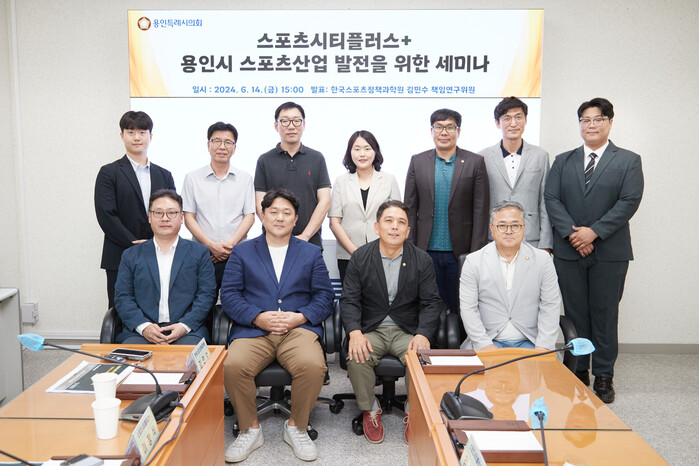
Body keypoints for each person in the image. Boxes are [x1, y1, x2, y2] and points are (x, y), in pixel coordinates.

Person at [221, 189, 334, 463]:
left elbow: (324, 296)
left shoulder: (311, 253)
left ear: (295, 219)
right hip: (254, 330)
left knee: (312, 365)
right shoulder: (242, 251)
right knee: (233, 365)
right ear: (263, 215)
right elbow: (230, 295)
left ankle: (296, 426)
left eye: (286, 213)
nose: (280, 218)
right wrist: (257, 316)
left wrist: (300, 317)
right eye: (273, 212)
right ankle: (249, 429)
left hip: (297, 330)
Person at [545, 98, 644, 403]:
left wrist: (594, 232)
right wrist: (573, 234)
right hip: (569, 250)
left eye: (598, 119)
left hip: (610, 252)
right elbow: (552, 199)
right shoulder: (563, 161)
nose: (591, 125)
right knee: (575, 314)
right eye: (585, 120)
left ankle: (603, 375)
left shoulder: (628, 160)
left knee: (605, 314)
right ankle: (578, 370)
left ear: (610, 122)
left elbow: (629, 202)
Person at [340, 200, 444, 444]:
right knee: (357, 356)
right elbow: (349, 300)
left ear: (408, 231)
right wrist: (355, 332)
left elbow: (432, 302)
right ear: (377, 227)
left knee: (420, 359)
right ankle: (369, 409)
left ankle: (413, 410)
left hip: (406, 329)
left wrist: (422, 333)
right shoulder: (360, 257)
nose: (395, 227)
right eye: (389, 221)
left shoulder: (421, 259)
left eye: (401, 222)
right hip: (371, 329)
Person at [404, 108, 490, 314]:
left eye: (450, 127)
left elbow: (481, 211)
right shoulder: (418, 161)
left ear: (458, 131)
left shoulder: (475, 162)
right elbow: (410, 208)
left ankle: (459, 336)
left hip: (460, 252)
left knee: (461, 307)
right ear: (431, 131)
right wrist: (411, 248)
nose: (444, 132)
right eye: (439, 127)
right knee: (428, 306)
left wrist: (475, 253)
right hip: (425, 251)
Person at [95, 111, 175, 308]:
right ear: (122, 135)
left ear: (150, 136)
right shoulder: (109, 173)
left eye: (142, 132)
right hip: (120, 254)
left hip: (160, 254)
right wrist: (134, 244)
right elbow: (106, 215)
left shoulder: (164, 175)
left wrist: (155, 243)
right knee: (121, 311)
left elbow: (172, 214)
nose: (137, 137)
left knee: (159, 309)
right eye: (131, 132)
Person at [114, 189, 216, 344]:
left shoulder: (200, 253)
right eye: (158, 213)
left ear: (181, 217)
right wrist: (144, 327)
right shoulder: (131, 255)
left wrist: (184, 326)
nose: (165, 218)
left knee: (189, 358)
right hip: (140, 333)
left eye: (171, 213)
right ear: (149, 217)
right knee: (132, 358)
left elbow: (206, 295)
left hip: (188, 332)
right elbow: (123, 297)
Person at [459, 201, 561, 351]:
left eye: (515, 225)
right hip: (488, 342)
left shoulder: (542, 260)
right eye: (502, 226)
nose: (509, 231)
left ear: (524, 228)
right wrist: (485, 345)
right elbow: (468, 309)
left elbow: (550, 306)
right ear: (492, 229)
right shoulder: (473, 261)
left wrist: (543, 346)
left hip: (531, 343)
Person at [182, 121, 255, 298]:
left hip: (236, 255)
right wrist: (211, 245)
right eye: (217, 141)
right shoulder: (192, 178)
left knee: (238, 303)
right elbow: (188, 217)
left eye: (228, 142)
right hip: (203, 255)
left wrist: (228, 247)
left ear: (234, 148)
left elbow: (249, 216)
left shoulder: (245, 178)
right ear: (208, 145)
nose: (222, 147)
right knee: (202, 304)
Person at [254, 102, 331, 249]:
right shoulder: (264, 160)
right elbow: (260, 203)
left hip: (310, 243)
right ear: (276, 126)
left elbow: (325, 201)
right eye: (284, 121)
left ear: (304, 124)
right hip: (272, 243)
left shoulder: (317, 158)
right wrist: (278, 235)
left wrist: (305, 236)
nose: (291, 126)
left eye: (296, 121)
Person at [479, 97, 553, 249]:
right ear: (497, 123)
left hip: (530, 237)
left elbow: (545, 202)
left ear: (525, 120)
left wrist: (546, 244)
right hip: (493, 238)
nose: (513, 123)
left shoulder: (540, 156)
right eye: (507, 118)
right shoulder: (483, 157)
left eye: (518, 117)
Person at [329, 130, 401, 283]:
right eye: (357, 149)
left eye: (367, 148)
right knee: (351, 296)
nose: (362, 154)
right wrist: (356, 253)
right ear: (350, 152)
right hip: (348, 256)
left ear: (375, 151)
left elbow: (396, 219)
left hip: (383, 254)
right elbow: (334, 222)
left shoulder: (389, 180)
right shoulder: (341, 181)